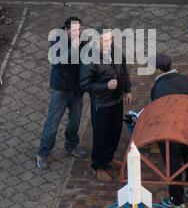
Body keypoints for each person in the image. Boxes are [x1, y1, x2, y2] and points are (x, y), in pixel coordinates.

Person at [80, 27, 132, 182]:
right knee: (101, 135)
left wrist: (127, 90)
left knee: (115, 131)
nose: (109, 43)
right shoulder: (89, 58)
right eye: (105, 40)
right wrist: (105, 86)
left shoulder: (114, 50)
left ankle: (109, 158)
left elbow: (123, 70)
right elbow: (84, 84)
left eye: (110, 39)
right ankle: (98, 166)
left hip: (116, 100)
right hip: (101, 104)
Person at [150, 53, 188, 208]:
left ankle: (176, 200)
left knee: (173, 164)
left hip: (170, 133)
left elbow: (156, 112)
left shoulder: (158, 88)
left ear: (158, 69)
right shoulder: (187, 81)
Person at [36, 16, 87, 170]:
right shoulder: (57, 40)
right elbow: (58, 63)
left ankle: (71, 145)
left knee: (75, 119)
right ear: (66, 30)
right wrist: (74, 48)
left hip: (77, 88)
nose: (78, 33)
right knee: (53, 122)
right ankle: (43, 153)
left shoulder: (83, 40)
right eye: (75, 30)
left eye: (80, 29)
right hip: (61, 89)